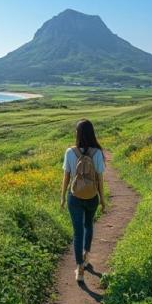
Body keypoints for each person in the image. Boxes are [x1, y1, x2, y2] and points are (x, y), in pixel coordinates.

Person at [61, 119, 106, 282]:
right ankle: (86, 256)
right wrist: (103, 200)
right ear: (92, 133)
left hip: (74, 197)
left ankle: (79, 269)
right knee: (89, 225)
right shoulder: (98, 153)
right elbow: (100, 180)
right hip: (92, 196)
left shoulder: (69, 152)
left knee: (77, 231)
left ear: (78, 134)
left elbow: (66, 178)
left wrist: (62, 198)